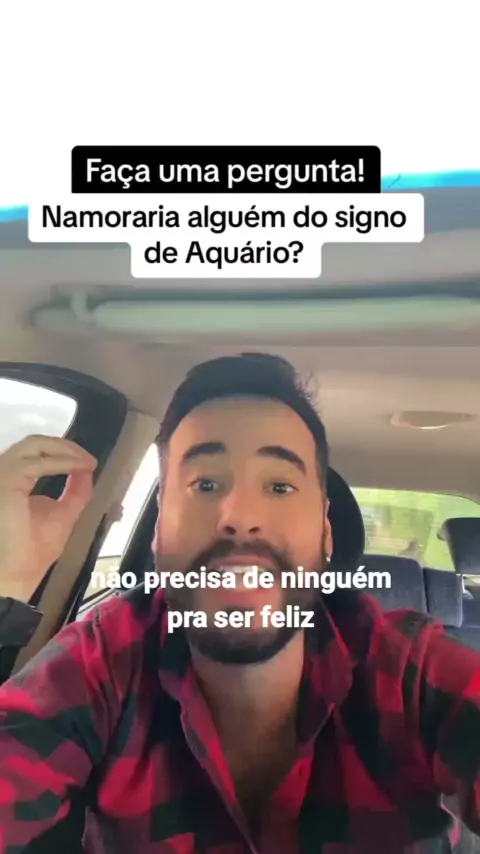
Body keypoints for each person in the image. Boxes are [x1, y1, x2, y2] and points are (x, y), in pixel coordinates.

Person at [0, 352, 479, 854]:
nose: (239, 515)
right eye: (205, 484)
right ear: (159, 531)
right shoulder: (102, 660)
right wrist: (6, 585)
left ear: (326, 531)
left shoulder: (408, 672)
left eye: (279, 486)